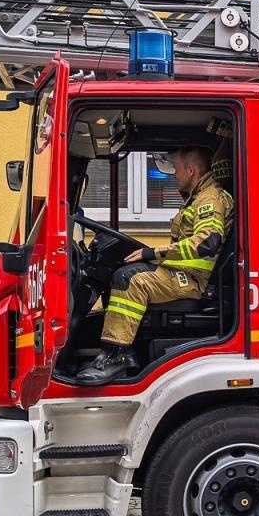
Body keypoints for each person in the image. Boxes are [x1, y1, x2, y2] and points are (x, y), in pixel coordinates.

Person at [78, 146, 234, 386]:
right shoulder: (199, 196)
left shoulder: (209, 199)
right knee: (121, 272)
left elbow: (208, 242)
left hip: (193, 281)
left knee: (130, 279)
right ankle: (124, 352)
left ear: (191, 170)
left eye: (177, 169)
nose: (174, 175)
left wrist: (153, 252)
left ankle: (116, 356)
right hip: (183, 272)